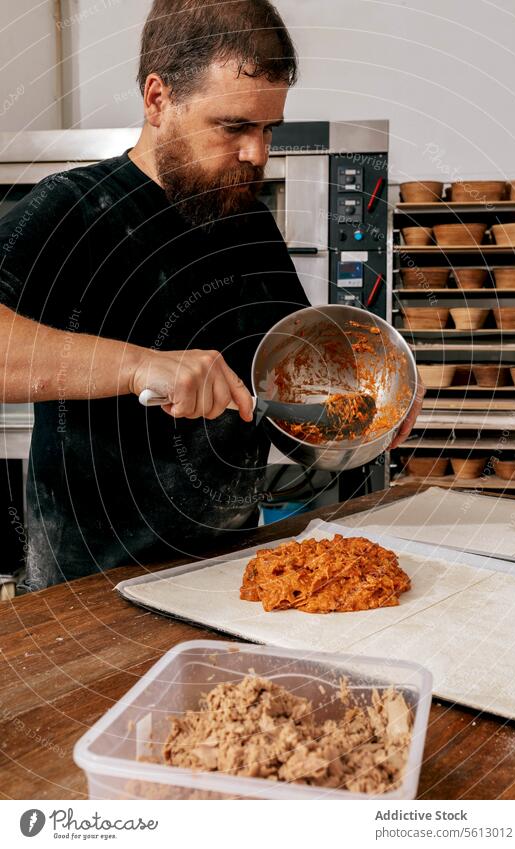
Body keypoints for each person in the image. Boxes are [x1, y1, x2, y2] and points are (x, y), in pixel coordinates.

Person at [0, 0, 422, 591]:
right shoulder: (72, 209)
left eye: (267, 128)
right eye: (234, 127)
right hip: (89, 588)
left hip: (230, 573)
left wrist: (368, 410)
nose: (258, 153)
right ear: (157, 98)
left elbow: (284, 382)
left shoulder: (244, 218)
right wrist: (141, 365)